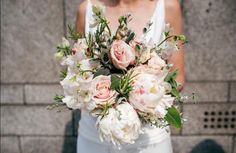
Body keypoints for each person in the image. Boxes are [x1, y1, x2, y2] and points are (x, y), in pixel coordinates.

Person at [75, 0, 185, 152]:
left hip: (148, 139)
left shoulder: (168, 7)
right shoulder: (86, 10)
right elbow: (77, 70)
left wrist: (139, 96)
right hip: (95, 137)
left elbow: (178, 80)